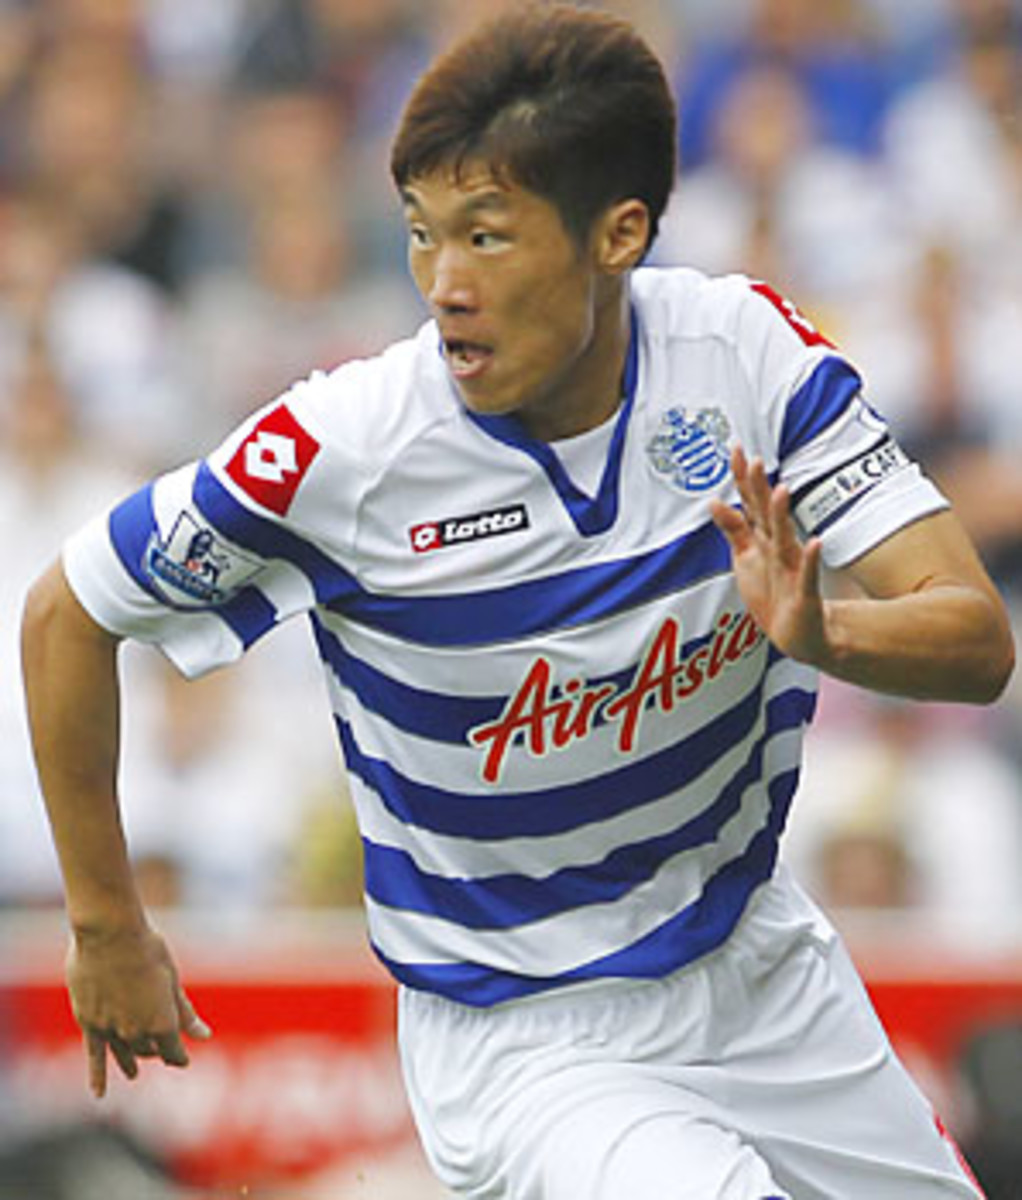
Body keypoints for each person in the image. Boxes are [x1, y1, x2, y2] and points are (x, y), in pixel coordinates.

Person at [19, 5, 1015, 1198]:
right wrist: (106, 925)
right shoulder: (344, 448)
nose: (444, 286)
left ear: (617, 233)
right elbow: (66, 612)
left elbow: (975, 638)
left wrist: (826, 630)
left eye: (485, 237)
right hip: (528, 1037)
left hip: (758, 968)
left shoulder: (744, 356)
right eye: (420, 233)